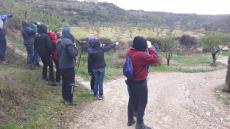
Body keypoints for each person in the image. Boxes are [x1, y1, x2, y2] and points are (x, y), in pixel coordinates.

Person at [125, 36, 157, 129]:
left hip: (130, 82)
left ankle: (130, 120)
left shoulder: (130, 52)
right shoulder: (140, 55)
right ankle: (140, 124)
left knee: (131, 100)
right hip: (140, 83)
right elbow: (154, 59)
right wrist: (150, 47)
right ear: (142, 45)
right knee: (142, 102)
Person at [57, 27, 78, 105]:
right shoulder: (68, 42)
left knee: (64, 82)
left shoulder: (59, 41)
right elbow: (73, 53)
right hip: (69, 66)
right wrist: (75, 49)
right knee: (71, 83)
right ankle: (70, 100)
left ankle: (65, 98)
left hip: (61, 65)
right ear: (69, 32)